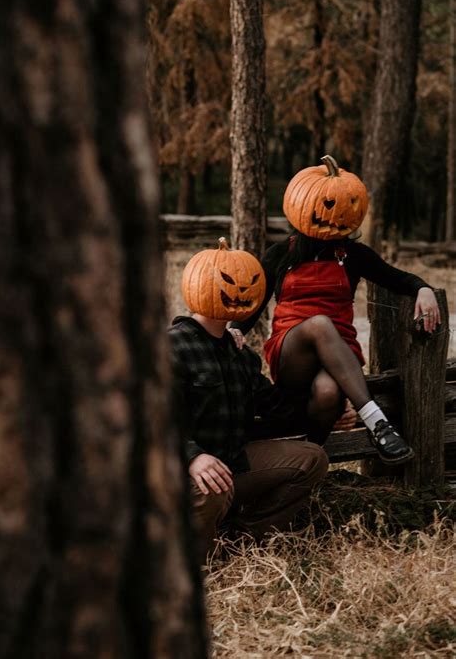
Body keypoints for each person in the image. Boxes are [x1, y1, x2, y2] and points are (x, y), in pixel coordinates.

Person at [231, 156, 441, 464]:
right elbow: (254, 303)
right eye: (327, 205)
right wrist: (235, 330)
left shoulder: (355, 256)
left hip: (339, 353)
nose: (336, 215)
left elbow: (395, 277)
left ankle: (308, 461)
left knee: (329, 392)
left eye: (346, 205)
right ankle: (377, 422)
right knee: (318, 324)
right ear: (301, 205)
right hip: (292, 352)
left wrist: (422, 287)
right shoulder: (280, 255)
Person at [169, 241, 329, 562]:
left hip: (231, 464)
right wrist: (192, 457)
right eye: (229, 283)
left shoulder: (241, 354)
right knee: (211, 486)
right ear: (199, 285)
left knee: (311, 459)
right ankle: (196, 560)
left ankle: (240, 540)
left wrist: (324, 408)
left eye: (251, 283)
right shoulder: (171, 346)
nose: (242, 290)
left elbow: (275, 408)